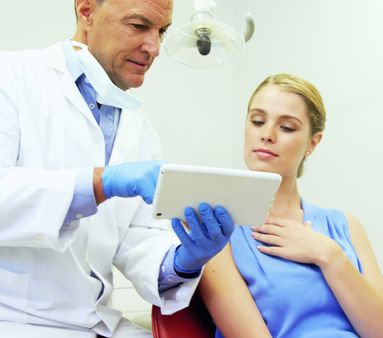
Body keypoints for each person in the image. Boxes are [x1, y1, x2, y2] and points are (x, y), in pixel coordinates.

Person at [0, 1, 234, 337]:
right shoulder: (11, 77)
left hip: (100, 323)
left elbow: (139, 241)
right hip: (16, 321)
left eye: (161, 31)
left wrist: (186, 258)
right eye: (139, 26)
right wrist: (101, 184)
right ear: (86, 11)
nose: (154, 48)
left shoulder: (140, 129)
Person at [199, 73, 383, 338]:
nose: (267, 135)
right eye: (257, 121)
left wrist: (329, 256)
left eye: (286, 127)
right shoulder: (215, 231)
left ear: (313, 142)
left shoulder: (345, 226)